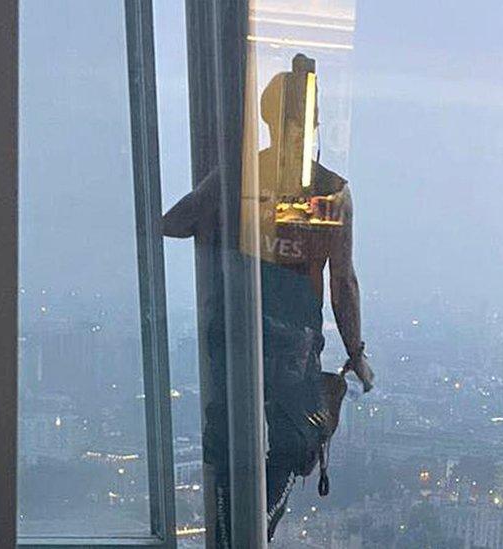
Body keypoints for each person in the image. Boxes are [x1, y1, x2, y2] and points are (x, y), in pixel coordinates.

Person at [163, 54, 373, 545]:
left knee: (230, 441)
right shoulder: (331, 194)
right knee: (290, 444)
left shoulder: (240, 179)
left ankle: (231, 533)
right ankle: (253, 533)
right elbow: (343, 283)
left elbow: (175, 222)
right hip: (290, 350)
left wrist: (225, 219)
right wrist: (356, 353)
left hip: (237, 335)